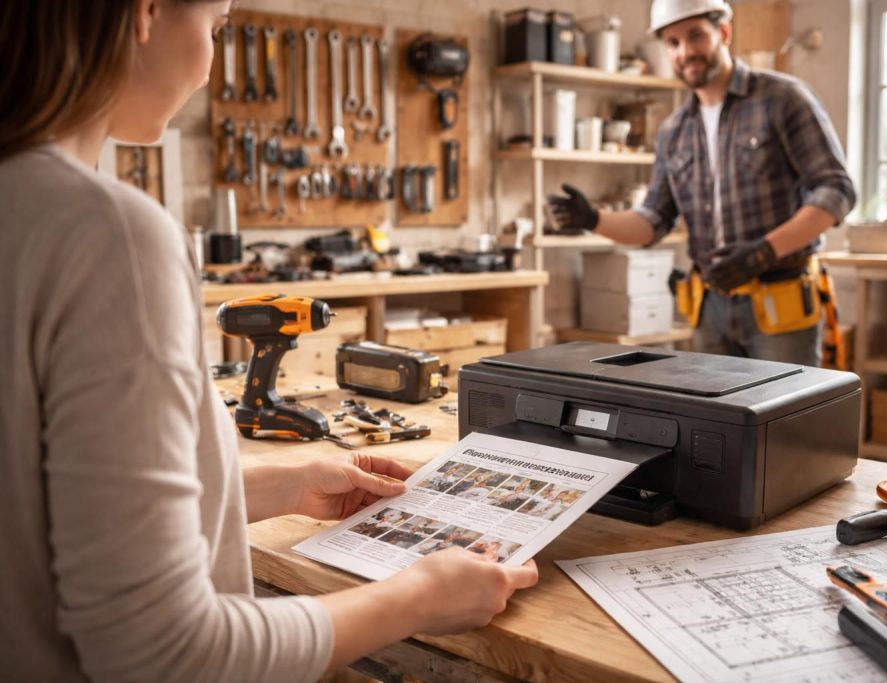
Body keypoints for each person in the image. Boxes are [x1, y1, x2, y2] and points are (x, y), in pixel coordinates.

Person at [0, 2, 537, 681]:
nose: (212, 60)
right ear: (146, 13)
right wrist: (419, 596)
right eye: (218, 27)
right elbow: (165, 655)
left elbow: (43, 516)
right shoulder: (105, 233)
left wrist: (270, 487)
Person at [548, 0, 855, 366]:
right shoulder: (674, 132)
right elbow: (653, 221)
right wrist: (593, 220)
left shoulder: (782, 98)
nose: (685, 51)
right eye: (673, 42)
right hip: (710, 307)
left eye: (696, 36)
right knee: (714, 423)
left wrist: (763, 251)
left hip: (780, 303)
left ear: (723, 32)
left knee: (785, 419)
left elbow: (836, 190)